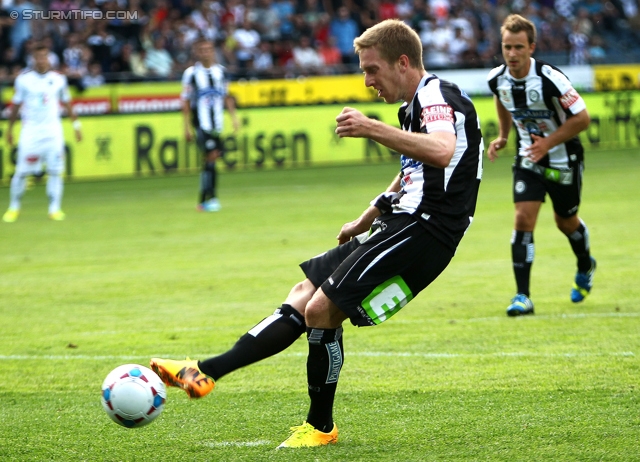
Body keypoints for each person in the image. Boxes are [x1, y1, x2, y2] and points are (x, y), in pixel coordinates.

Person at [150, 19, 483, 448]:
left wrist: (371, 128)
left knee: (322, 310)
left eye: (372, 70)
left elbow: (440, 150)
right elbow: (413, 171)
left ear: (403, 62)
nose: (367, 82)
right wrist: (367, 216)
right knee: (304, 292)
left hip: (426, 230)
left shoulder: (435, 95)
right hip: (401, 221)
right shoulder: (412, 106)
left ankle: (320, 427)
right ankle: (204, 371)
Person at [486, 14, 596, 316]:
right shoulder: (497, 78)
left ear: (531, 47)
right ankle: (523, 296)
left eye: (518, 47)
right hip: (528, 158)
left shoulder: (551, 78)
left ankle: (586, 263)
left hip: (564, 160)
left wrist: (548, 142)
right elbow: (501, 98)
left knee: (566, 222)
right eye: (507, 47)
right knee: (523, 218)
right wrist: (504, 135)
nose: (512, 54)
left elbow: (582, 118)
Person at [3, 44, 82, 223]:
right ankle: (14, 207)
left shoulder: (58, 79)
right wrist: (10, 129)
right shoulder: (24, 80)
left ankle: (54, 209)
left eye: (44, 57)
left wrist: (76, 125)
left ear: (49, 58)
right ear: (33, 59)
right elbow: (15, 105)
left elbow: (68, 102)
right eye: (38, 57)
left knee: (55, 171)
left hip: (53, 132)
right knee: (22, 172)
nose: (41, 60)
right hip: (30, 132)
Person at [181, 38, 239, 212]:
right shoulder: (191, 73)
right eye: (202, 50)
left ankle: (203, 201)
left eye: (209, 49)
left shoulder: (221, 72)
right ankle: (212, 199)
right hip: (200, 122)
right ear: (197, 53)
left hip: (217, 124)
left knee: (210, 160)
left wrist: (234, 117)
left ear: (213, 51)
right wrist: (186, 127)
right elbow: (185, 101)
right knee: (212, 155)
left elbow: (226, 96)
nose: (206, 52)